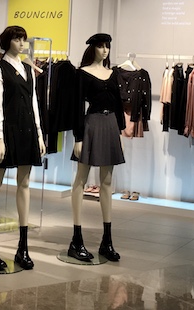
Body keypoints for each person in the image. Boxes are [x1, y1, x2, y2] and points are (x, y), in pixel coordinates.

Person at [0, 25, 46, 271]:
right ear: (8, 42)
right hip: (7, 130)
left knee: (24, 183)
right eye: (17, 39)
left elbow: (34, 103)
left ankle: (23, 246)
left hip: (28, 130)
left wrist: (39, 134)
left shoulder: (28, 69)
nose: (22, 43)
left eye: (23, 39)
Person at [67, 33, 125, 262]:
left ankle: (107, 241)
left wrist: (119, 130)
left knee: (107, 182)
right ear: (93, 49)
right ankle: (76, 239)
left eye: (107, 46)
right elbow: (76, 106)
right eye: (100, 46)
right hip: (91, 125)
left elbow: (118, 104)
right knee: (81, 179)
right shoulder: (82, 73)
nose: (105, 50)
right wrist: (78, 137)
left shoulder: (113, 73)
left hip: (110, 125)